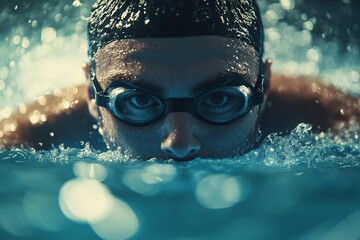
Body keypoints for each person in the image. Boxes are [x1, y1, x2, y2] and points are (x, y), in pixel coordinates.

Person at [0, 0, 359, 161]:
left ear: (264, 84)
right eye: (137, 101)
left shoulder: (334, 121)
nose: (180, 144)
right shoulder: (23, 139)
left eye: (220, 99)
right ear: (91, 94)